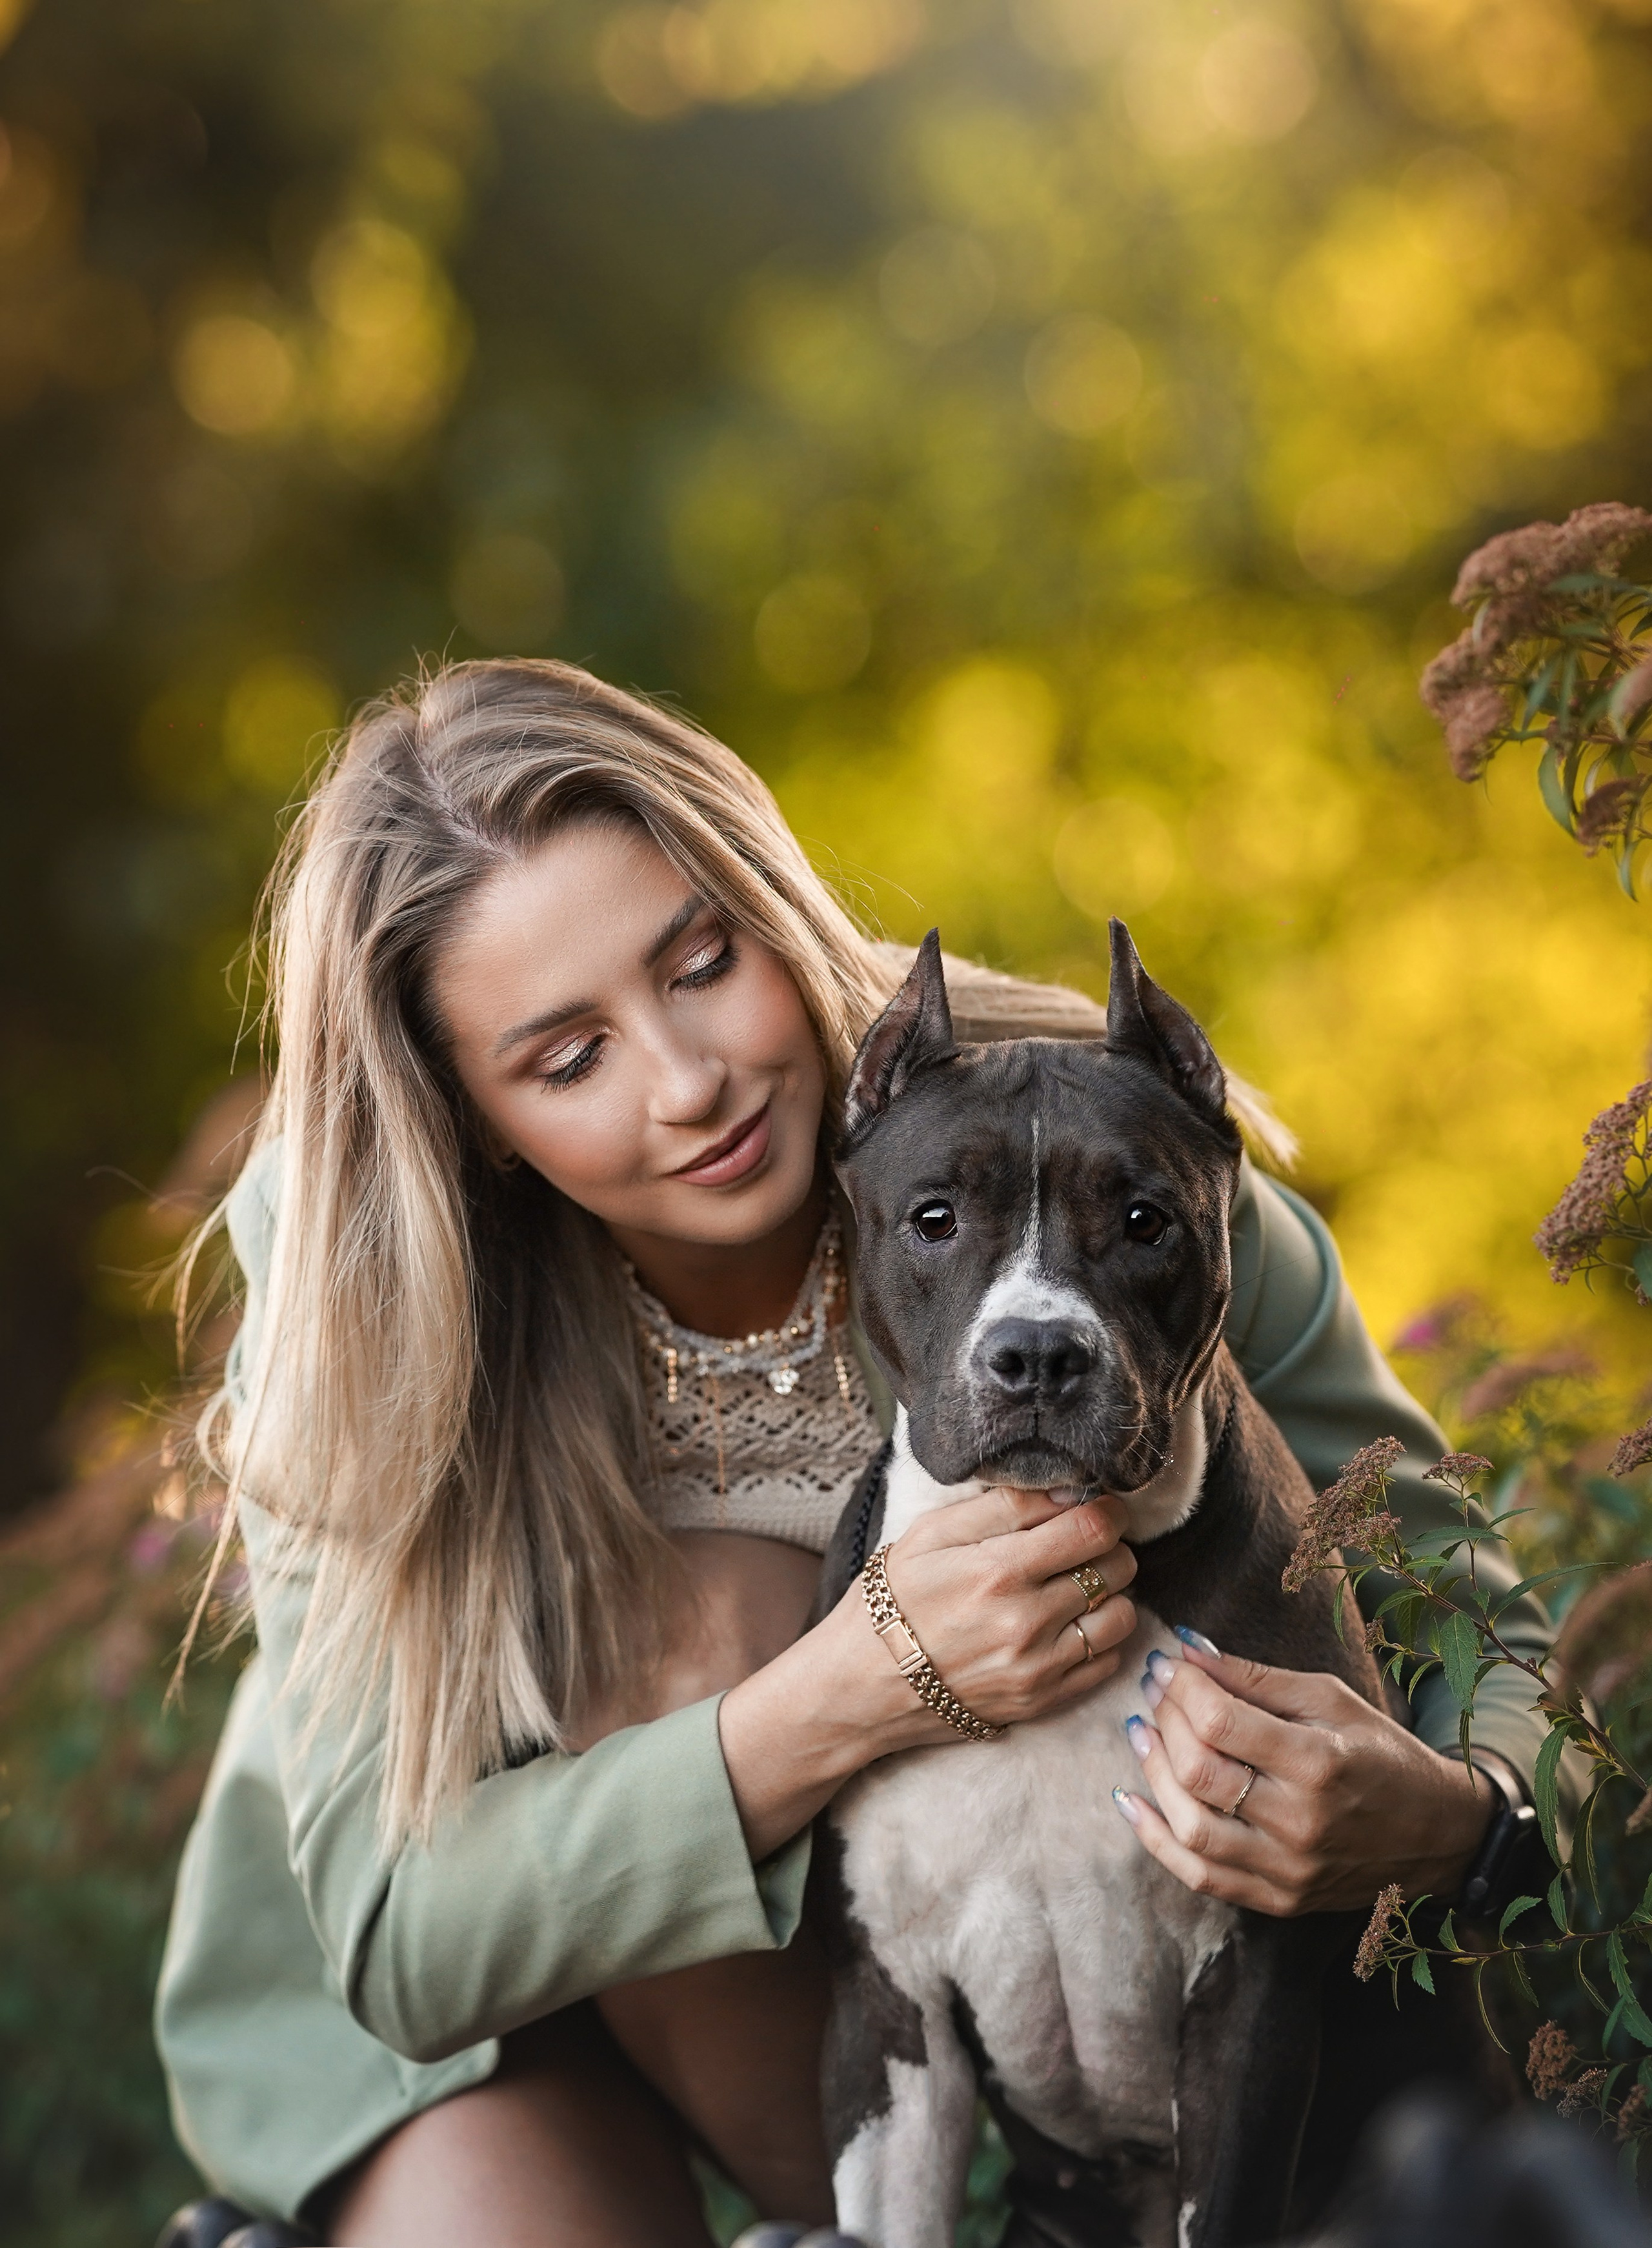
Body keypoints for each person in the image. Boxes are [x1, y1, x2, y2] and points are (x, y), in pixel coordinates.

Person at [154, 659, 1564, 2248]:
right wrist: (860, 1681)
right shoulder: (367, 1272)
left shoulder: (1102, 1158)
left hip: (961, 2000)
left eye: (702, 961)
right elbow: (403, 1937)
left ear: (771, 901)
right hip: (477, 1990)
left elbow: (1476, 1627)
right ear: (469, 1111)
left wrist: (1454, 1814)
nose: (687, 1080)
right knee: (683, 1622)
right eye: (567, 1058)